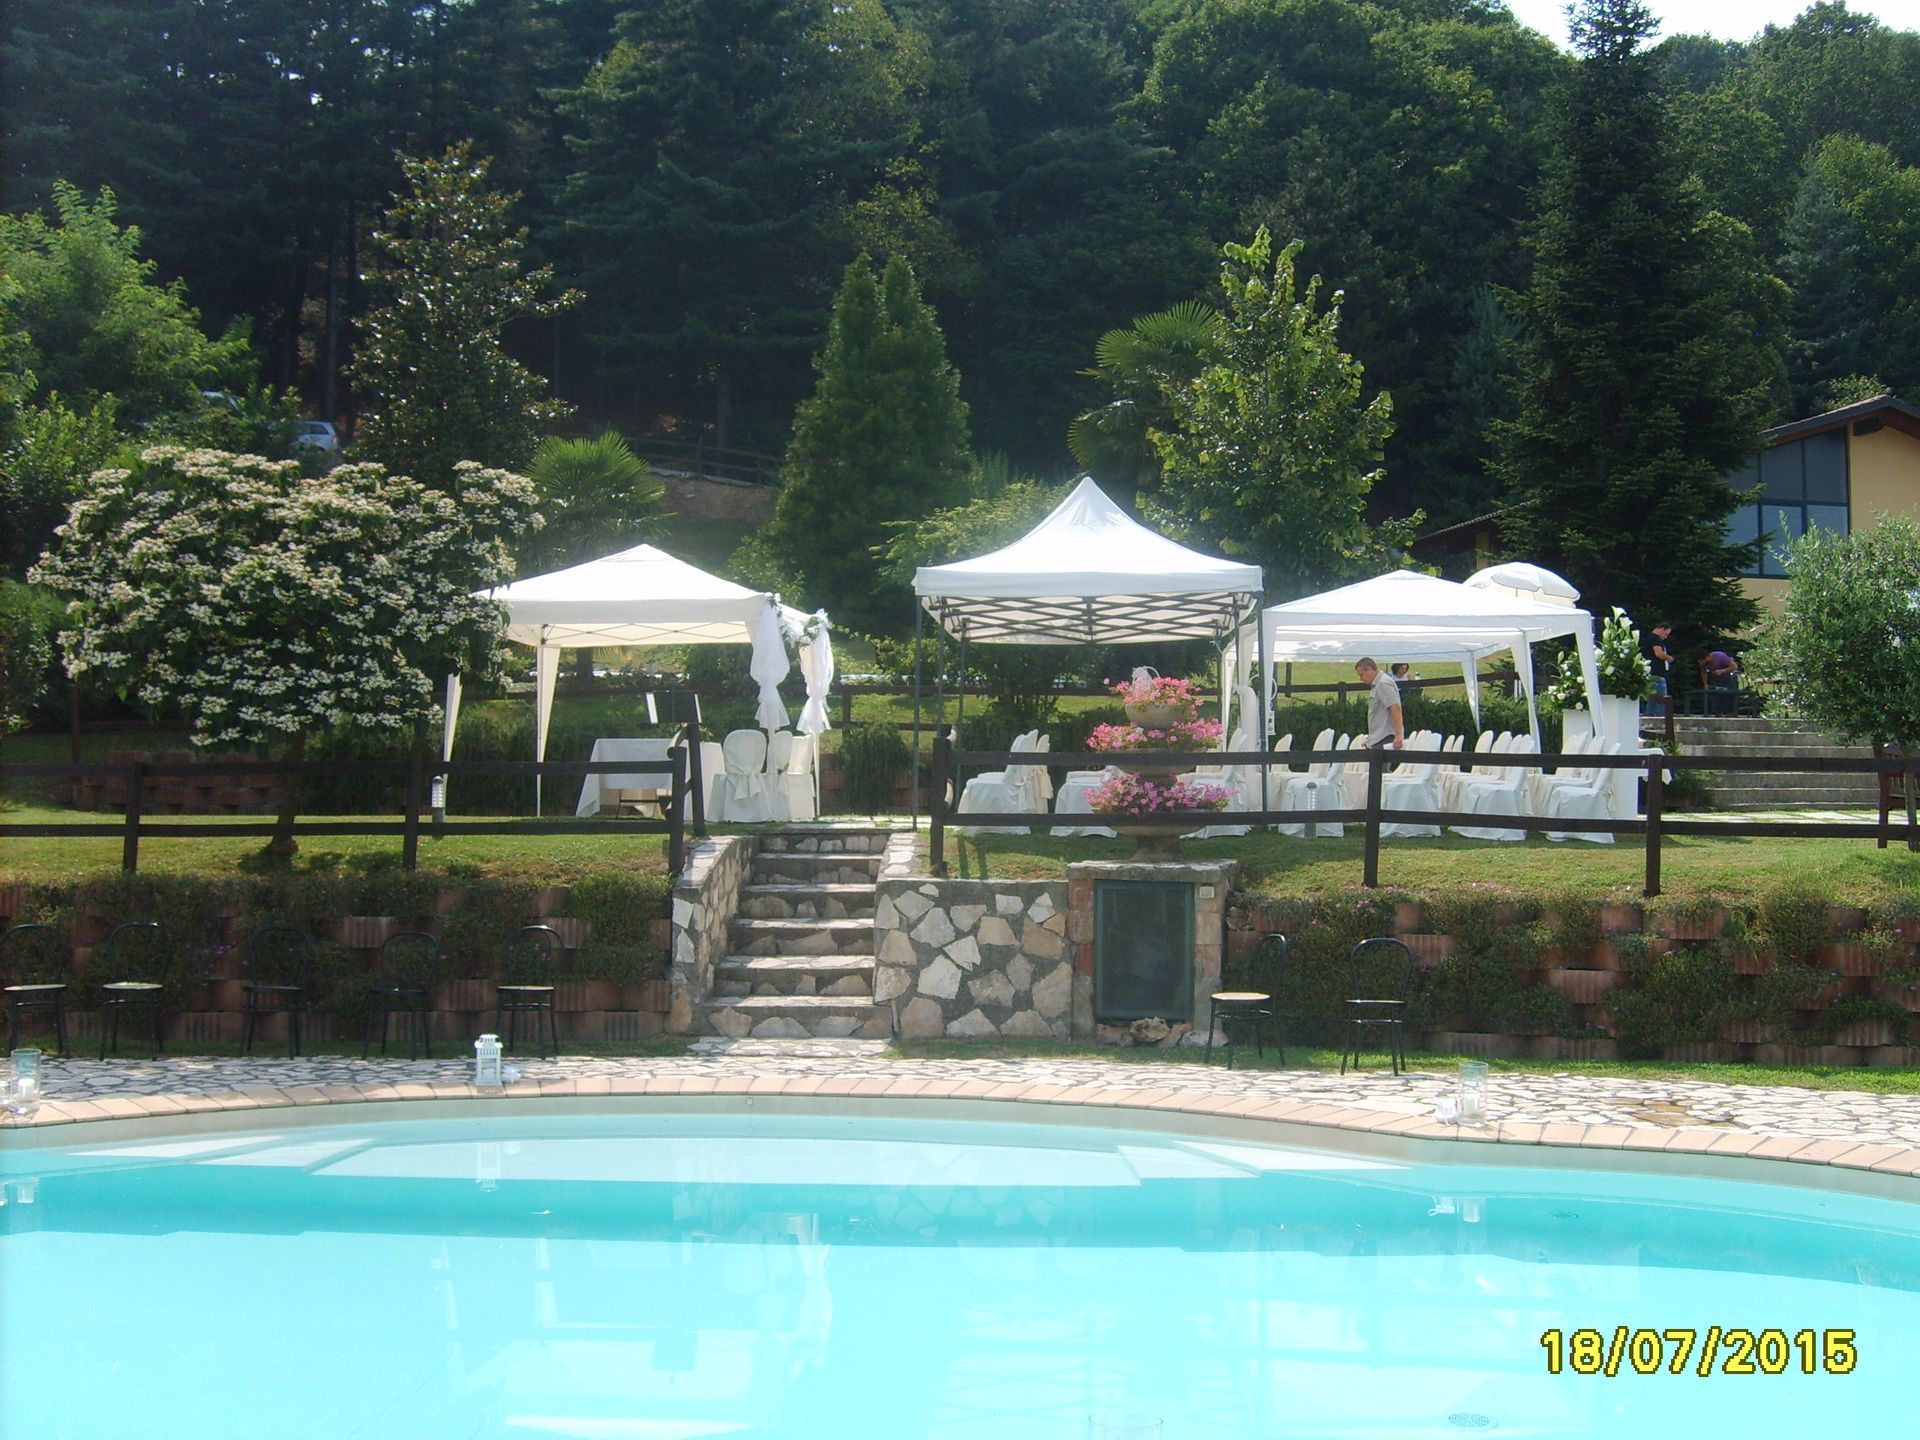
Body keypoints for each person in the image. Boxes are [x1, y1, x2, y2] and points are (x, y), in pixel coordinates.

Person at [1355, 657, 1403, 749]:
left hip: (1385, 738)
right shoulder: (1378, 683)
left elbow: (1395, 708)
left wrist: (1398, 735)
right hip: (1379, 738)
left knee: (1378, 763)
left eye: (1361, 675)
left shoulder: (1382, 683)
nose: (1361, 679)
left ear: (1369, 669)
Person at [1703, 649, 1740, 715]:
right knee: (1717, 697)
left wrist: (1722, 671)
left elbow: (1734, 666)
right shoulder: (1704, 663)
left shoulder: (1720, 656)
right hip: (1717, 681)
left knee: (1728, 696)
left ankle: (1730, 713)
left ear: (1706, 657)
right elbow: (1703, 672)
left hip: (1729, 678)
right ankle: (1718, 713)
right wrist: (1705, 684)